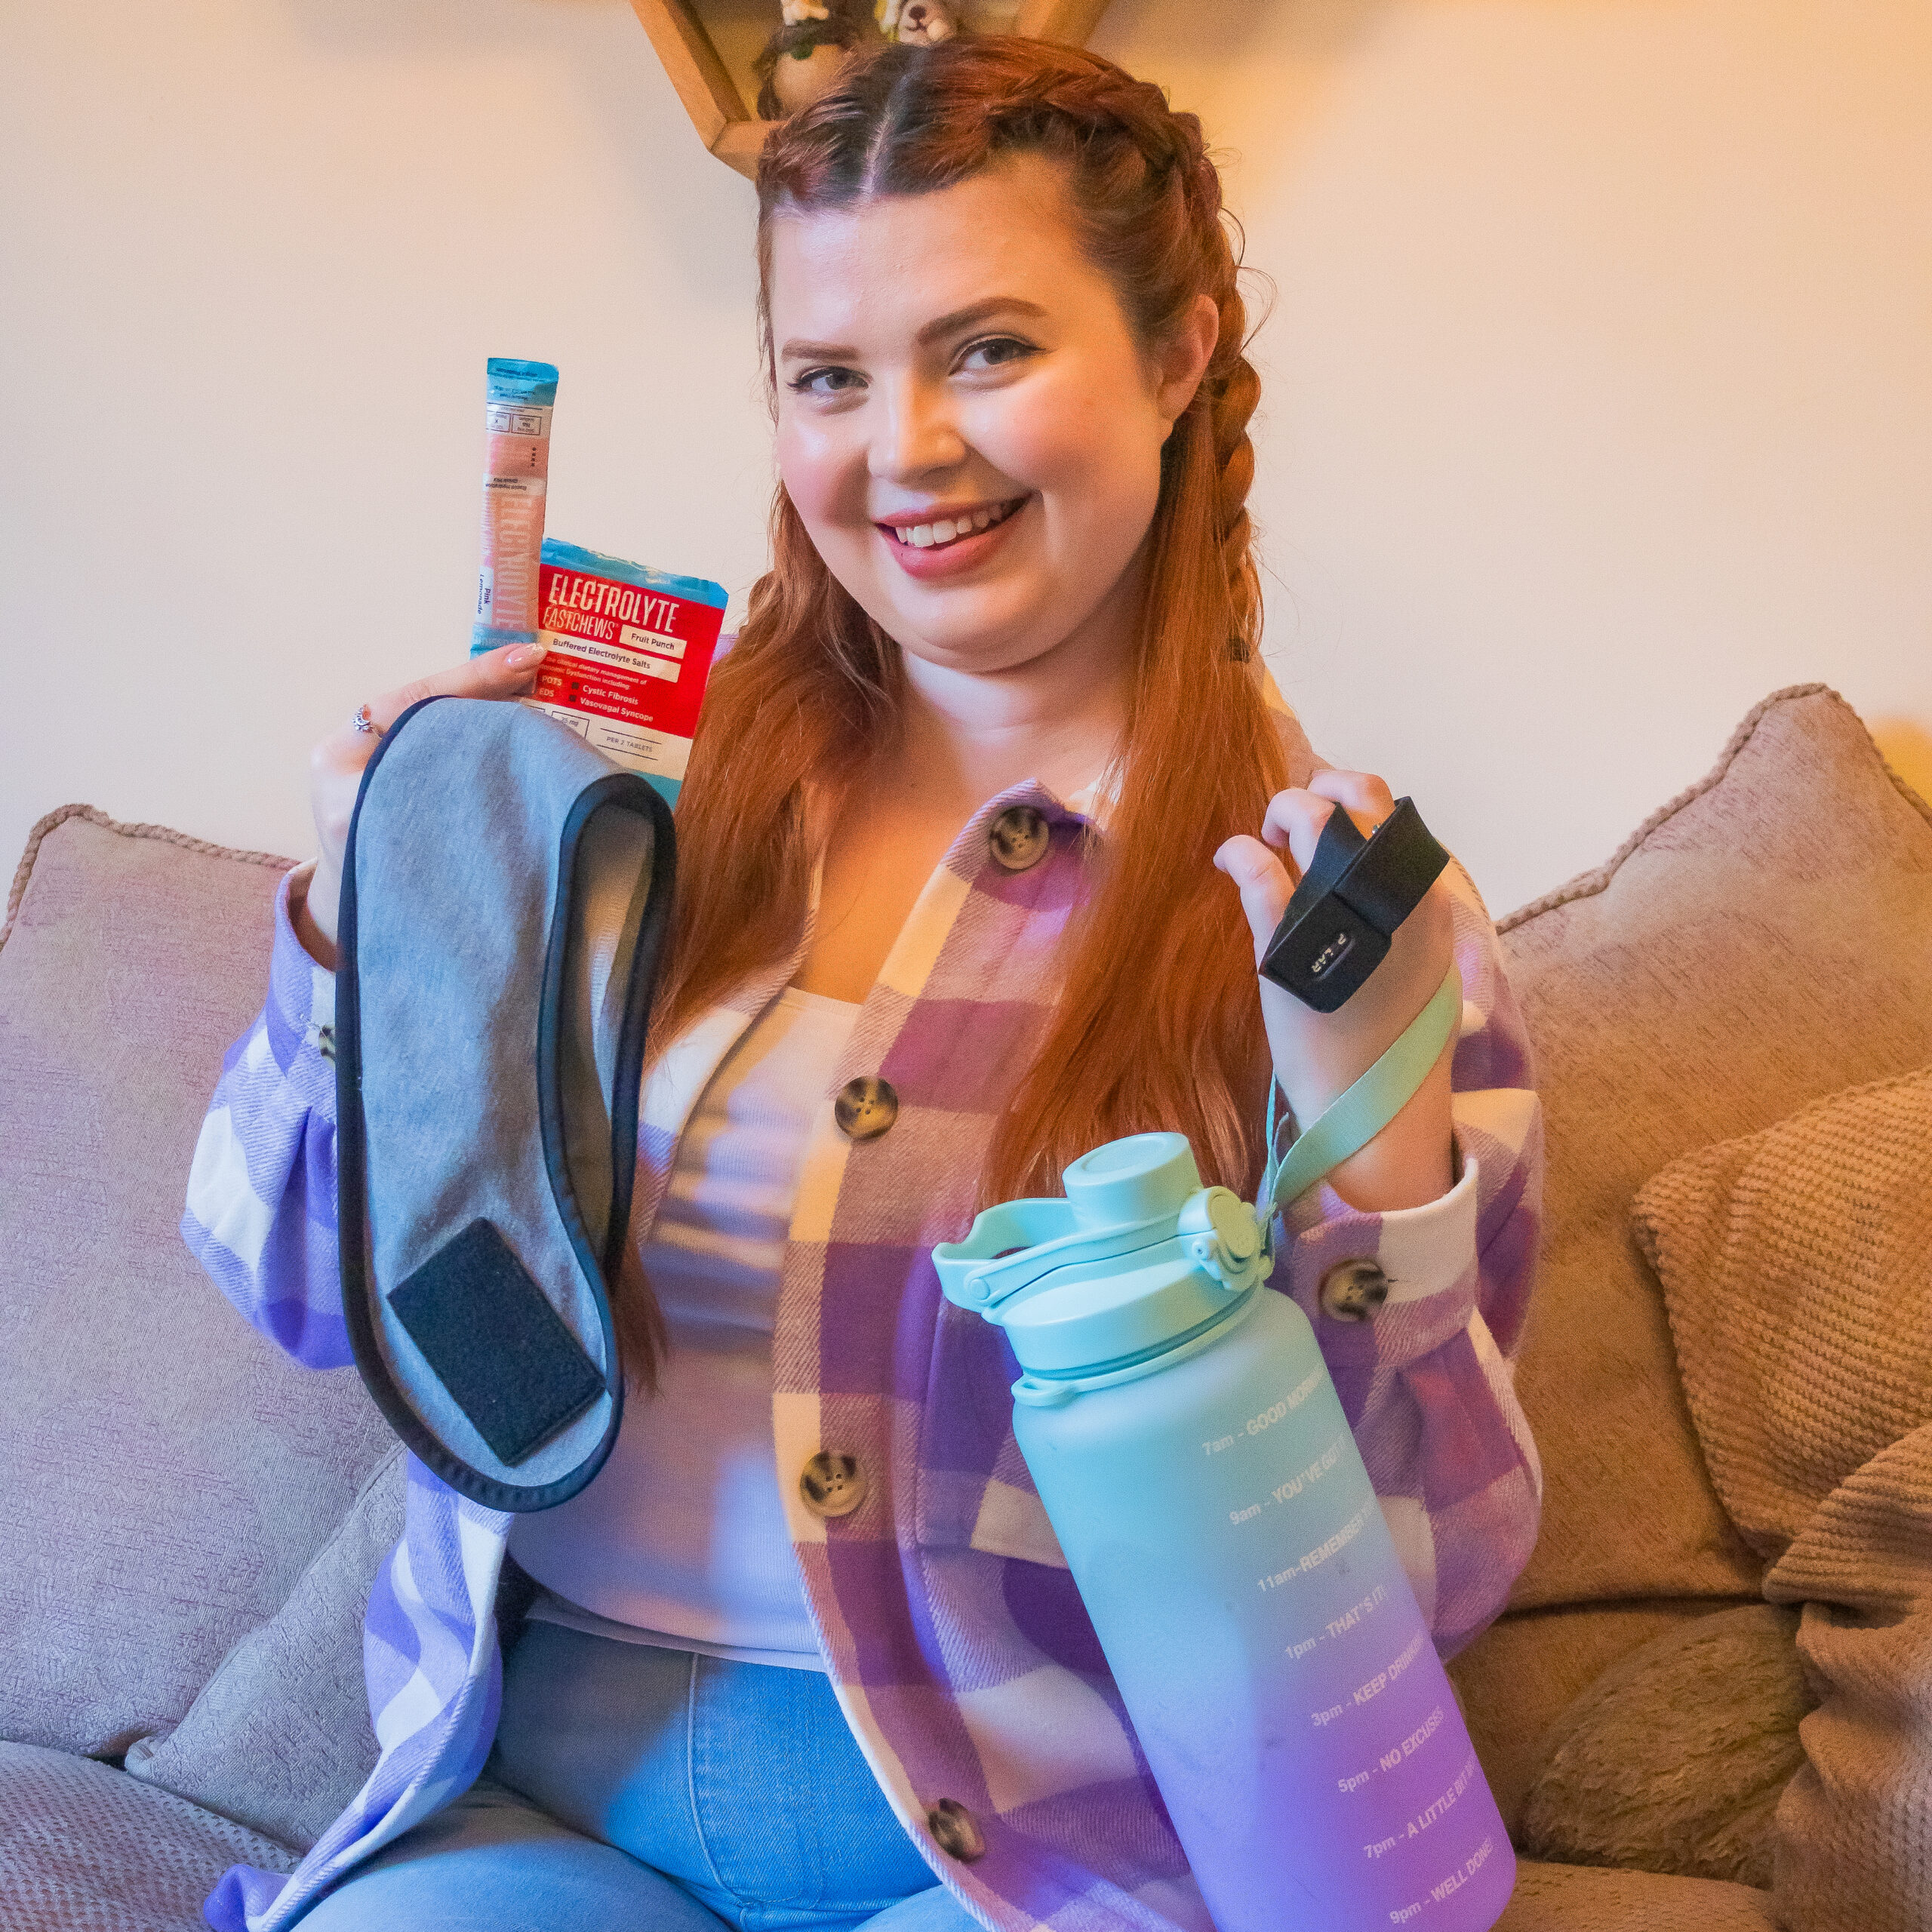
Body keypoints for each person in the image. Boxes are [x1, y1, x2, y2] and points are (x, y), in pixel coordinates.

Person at [183, 35, 1543, 1932]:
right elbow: (291, 1280)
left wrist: (1371, 1124)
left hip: (1039, 1852)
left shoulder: (1330, 913)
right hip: (527, 1797)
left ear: (1176, 355)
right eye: (828, 374)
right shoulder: (626, 819)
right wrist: (361, 933)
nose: (901, 447)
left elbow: (1406, 1583)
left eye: (984, 349)